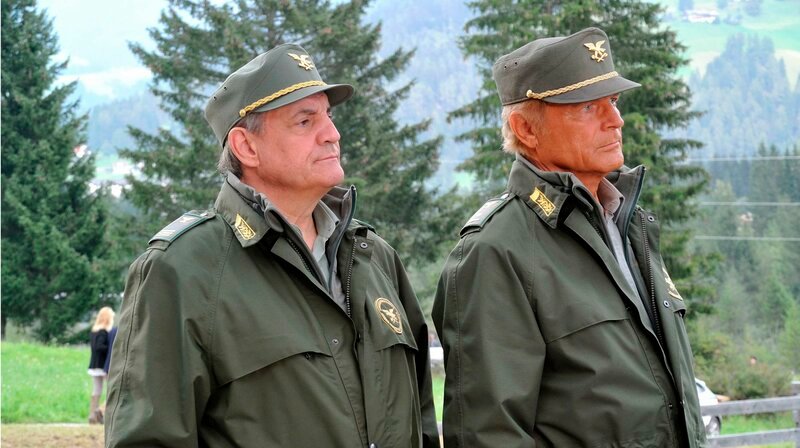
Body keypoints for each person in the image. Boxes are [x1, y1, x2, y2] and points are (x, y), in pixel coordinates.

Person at [105, 43, 438, 447]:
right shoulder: (182, 270)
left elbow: (420, 420)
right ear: (247, 147)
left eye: (328, 117)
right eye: (304, 121)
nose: (332, 134)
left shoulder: (374, 258)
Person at [432, 27, 706, 447]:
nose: (615, 120)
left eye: (612, 102)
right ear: (525, 129)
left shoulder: (628, 225)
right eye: (586, 108)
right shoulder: (495, 251)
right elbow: (488, 434)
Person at [87, 306, 114, 424]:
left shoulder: (94, 330)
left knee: (96, 390)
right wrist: (110, 347)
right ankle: (100, 410)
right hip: (102, 365)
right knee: (111, 389)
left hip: (93, 365)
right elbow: (99, 347)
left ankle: (92, 415)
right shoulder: (104, 331)